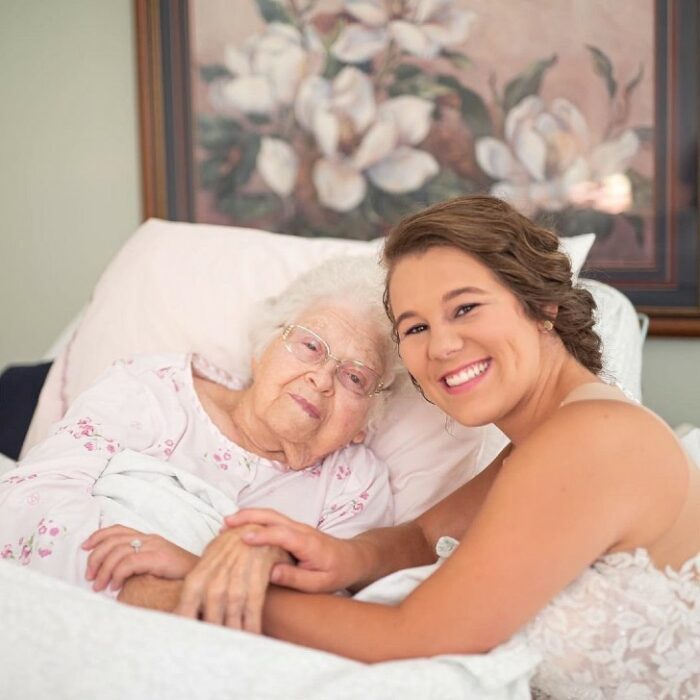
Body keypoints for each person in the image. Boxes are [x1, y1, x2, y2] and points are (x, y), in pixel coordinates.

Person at [123, 195, 699, 698]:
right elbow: (426, 536)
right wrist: (336, 555)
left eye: (465, 308)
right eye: (415, 328)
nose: (442, 345)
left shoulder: (590, 440)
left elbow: (413, 638)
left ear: (541, 306)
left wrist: (201, 587)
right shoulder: (549, 437)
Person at [0, 255, 401, 632]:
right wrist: (143, 590)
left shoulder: (354, 485)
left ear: (366, 421)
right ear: (263, 349)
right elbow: (28, 505)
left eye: (355, 377)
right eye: (311, 346)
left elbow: (329, 619)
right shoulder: (155, 389)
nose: (322, 378)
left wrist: (187, 578)